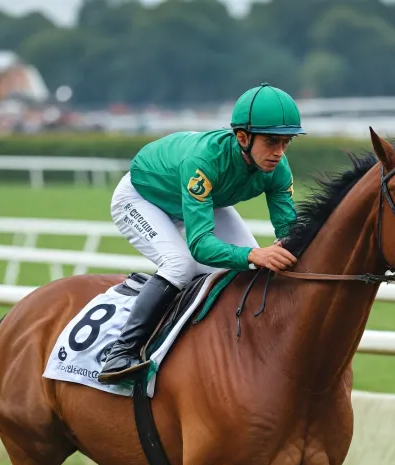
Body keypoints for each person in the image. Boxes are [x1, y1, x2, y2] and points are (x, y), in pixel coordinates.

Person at [97, 83, 304, 384]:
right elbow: (201, 246)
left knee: (250, 273)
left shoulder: (278, 169)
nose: (279, 153)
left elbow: (289, 232)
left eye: (286, 142)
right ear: (242, 137)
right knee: (180, 264)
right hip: (142, 198)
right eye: (271, 141)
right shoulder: (204, 162)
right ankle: (121, 352)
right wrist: (254, 254)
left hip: (204, 198)